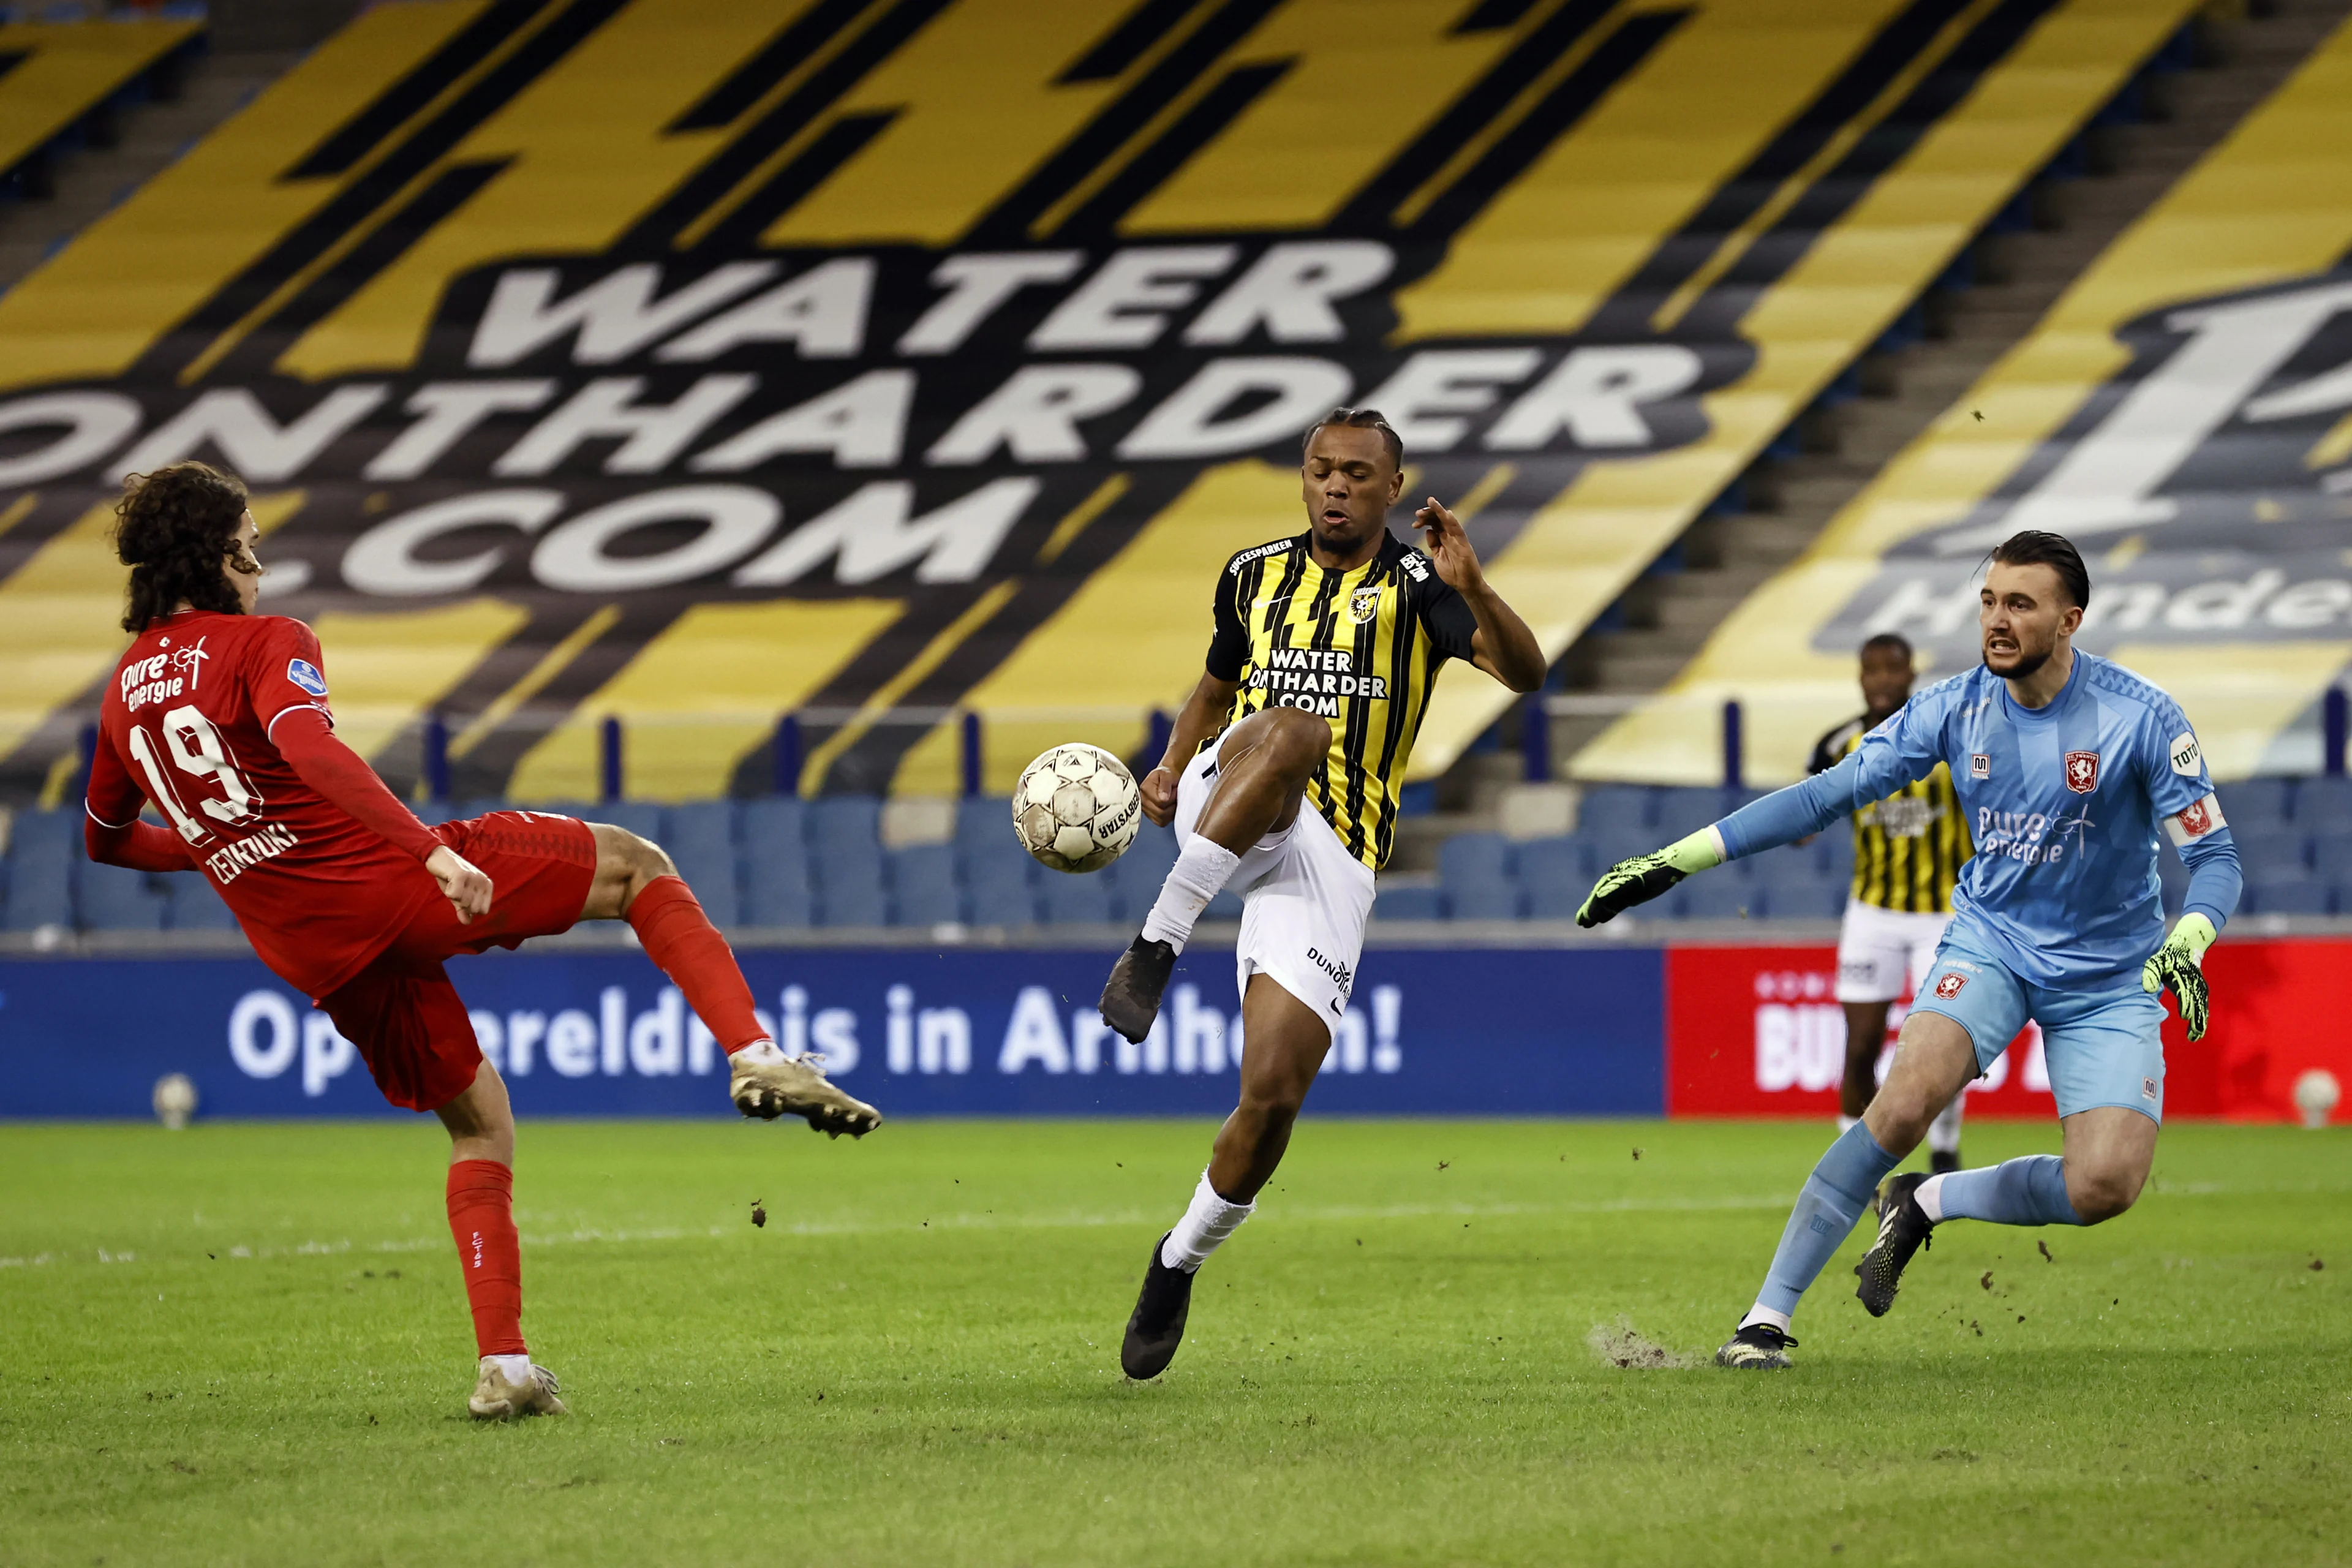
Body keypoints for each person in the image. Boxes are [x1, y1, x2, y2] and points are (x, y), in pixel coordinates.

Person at [84, 462, 880, 1419]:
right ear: (219, 556)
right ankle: (756, 1054)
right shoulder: (267, 641)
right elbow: (312, 749)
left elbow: (106, 838)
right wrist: (425, 853)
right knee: (636, 866)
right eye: (251, 547)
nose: (260, 567)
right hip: (385, 881)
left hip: (304, 942)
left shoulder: (124, 692)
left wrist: (226, 850)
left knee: (480, 1123)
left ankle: (503, 1367)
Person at [1575, 530, 2239, 1370]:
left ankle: (1928, 1200)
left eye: (2020, 605)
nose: (1997, 621)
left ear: (2071, 619)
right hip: (1992, 944)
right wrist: (1680, 858)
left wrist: (2190, 938)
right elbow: (1825, 795)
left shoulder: (2142, 716)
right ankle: (1764, 1321)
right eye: (1990, 602)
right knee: (1898, 1105)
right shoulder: (1955, 708)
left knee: (2103, 1187)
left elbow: (2215, 857)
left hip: (2110, 976)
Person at [1098, 408, 1546, 1380]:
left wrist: (1478, 589)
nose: (1335, 487)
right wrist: (1172, 765)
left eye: (1356, 474)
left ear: (1393, 489)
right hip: (1238, 789)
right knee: (1297, 725)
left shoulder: (1423, 587)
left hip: (1333, 853)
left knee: (1271, 1099)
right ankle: (1157, 944)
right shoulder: (1251, 572)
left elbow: (1526, 673)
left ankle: (1177, 1261)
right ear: (1302, 480)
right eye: (1319, 471)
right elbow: (1218, 690)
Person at [1807, 631, 1973, 1172]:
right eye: (1870, 670)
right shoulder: (1838, 746)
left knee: (1941, 1045)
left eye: (1891, 669)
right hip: (1872, 914)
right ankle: (1851, 1169)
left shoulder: (1950, 739)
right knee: (1860, 1048)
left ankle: (1944, 1145)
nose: (1881, 680)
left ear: (1910, 674)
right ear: (1859, 677)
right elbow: (1805, 813)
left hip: (1944, 916)